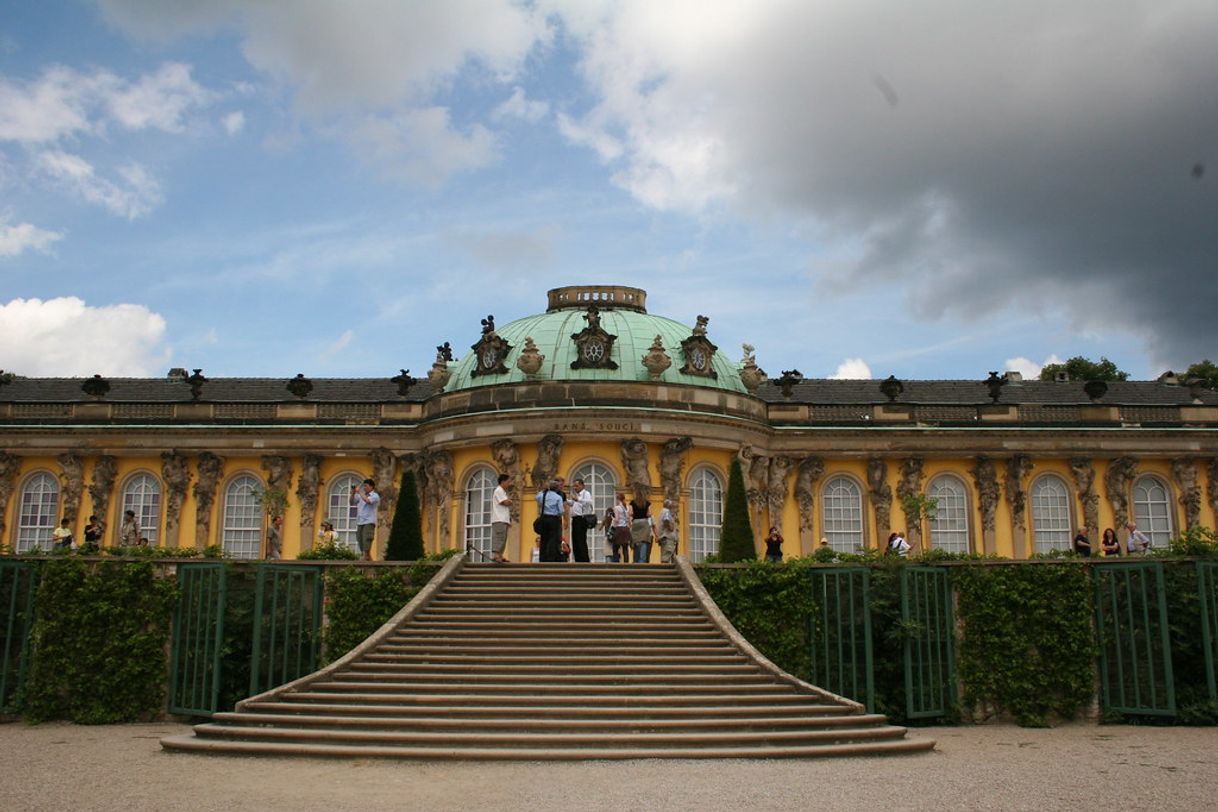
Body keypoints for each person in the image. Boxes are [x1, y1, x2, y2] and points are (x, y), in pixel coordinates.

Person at [535, 479, 565, 562]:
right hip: (553, 519)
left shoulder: (543, 495)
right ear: (556, 489)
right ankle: (550, 557)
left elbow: (536, 497)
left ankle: (542, 558)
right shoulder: (558, 497)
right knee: (553, 539)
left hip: (544, 518)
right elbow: (561, 511)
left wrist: (543, 490)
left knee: (544, 538)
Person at [349, 478, 380, 561]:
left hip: (369, 521)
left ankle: (365, 557)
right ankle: (367, 558)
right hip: (360, 522)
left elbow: (368, 501)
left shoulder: (375, 496)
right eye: (364, 486)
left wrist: (359, 492)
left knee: (367, 539)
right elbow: (351, 502)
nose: (364, 488)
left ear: (372, 487)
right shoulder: (361, 495)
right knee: (360, 540)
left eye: (366, 486)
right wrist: (353, 493)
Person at [568, 478, 595, 563]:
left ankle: (584, 560)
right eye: (574, 486)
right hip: (575, 519)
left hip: (581, 518)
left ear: (582, 485)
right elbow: (573, 503)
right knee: (575, 540)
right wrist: (566, 500)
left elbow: (589, 502)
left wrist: (578, 499)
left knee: (581, 540)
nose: (575, 488)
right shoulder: (577, 494)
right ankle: (577, 559)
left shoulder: (586, 493)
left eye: (577, 486)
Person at [629, 493, 657, 564]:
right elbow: (649, 514)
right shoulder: (647, 503)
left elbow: (630, 513)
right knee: (644, 541)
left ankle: (635, 560)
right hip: (644, 522)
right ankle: (642, 560)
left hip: (635, 523)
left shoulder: (632, 502)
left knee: (636, 541)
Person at [491, 473, 512, 563]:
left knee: (503, 538)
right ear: (503, 482)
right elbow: (505, 502)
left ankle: (500, 555)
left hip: (503, 518)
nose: (509, 484)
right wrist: (510, 501)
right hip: (499, 518)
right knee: (499, 536)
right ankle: (496, 555)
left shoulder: (502, 491)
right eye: (508, 482)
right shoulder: (498, 490)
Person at [609, 492, 632, 563]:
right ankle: (626, 564)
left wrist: (612, 518)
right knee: (625, 548)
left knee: (615, 547)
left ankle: (616, 563)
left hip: (619, 528)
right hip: (626, 529)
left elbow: (617, 519)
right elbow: (629, 519)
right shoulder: (628, 507)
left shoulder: (616, 508)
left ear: (618, 499)